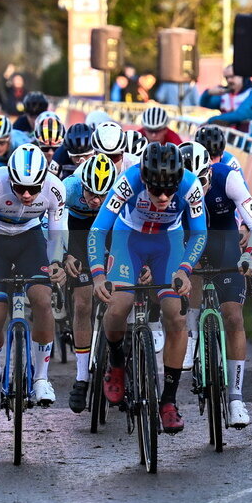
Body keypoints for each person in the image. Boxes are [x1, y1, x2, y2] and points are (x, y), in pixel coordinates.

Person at [87, 141, 206, 434]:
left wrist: (185, 269)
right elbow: (98, 229)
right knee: (119, 304)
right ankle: (115, 362)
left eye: (169, 190)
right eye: (156, 190)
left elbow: (200, 232)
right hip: (130, 240)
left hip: (168, 243)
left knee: (176, 315)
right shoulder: (128, 182)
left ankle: (168, 401)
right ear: (145, 179)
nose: (164, 197)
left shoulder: (190, 186)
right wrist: (99, 275)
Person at [0, 144, 67, 414]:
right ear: (10, 177)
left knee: (43, 301)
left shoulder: (55, 189)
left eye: (33, 189)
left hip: (29, 240)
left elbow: (56, 235)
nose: (27, 195)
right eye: (19, 188)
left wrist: (56, 263)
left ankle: (41, 377)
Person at [180, 141, 252, 429]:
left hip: (225, 242)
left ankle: (236, 399)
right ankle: (192, 335)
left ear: (209, 171)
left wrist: (248, 255)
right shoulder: (170, 187)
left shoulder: (227, 176)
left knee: (232, 316)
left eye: (202, 181)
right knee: (189, 273)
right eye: (189, 182)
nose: (197, 188)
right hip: (188, 240)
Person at [62, 153, 118, 413]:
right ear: (82, 186)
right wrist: (64, 254)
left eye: (101, 196)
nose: (95, 201)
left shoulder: (120, 192)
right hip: (77, 230)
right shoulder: (69, 187)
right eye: (91, 194)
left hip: (107, 231)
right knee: (83, 303)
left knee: (119, 297)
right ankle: (82, 378)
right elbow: (56, 224)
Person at [200, 66, 252, 138]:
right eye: (226, 77)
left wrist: (211, 121)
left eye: (232, 76)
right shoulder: (225, 95)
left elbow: (240, 115)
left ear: (243, 77)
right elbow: (204, 103)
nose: (229, 80)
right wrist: (208, 92)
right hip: (229, 141)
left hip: (250, 144)